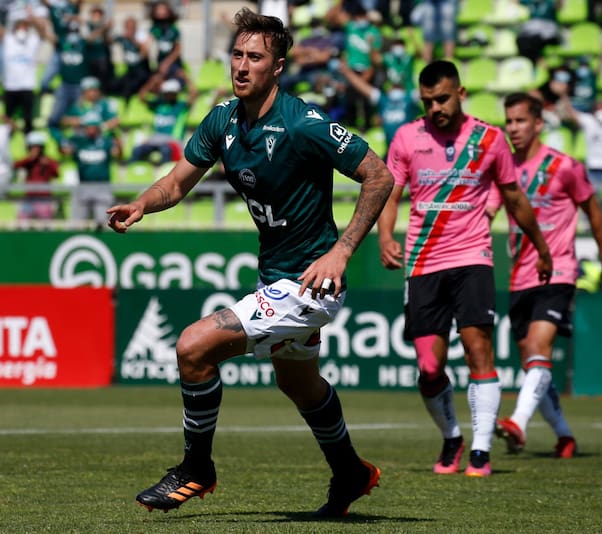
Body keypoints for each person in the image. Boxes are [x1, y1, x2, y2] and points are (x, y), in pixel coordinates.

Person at [107, 8, 393, 517]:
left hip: (311, 284)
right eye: (237, 54)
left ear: (277, 67)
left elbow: (379, 176)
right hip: (277, 277)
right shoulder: (223, 119)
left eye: (254, 57)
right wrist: (141, 204)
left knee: (193, 348)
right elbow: (176, 183)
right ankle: (350, 471)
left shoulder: (305, 123)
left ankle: (197, 469)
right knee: (298, 385)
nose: (241, 66)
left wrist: (342, 250)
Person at [379, 61, 552, 477]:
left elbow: (514, 198)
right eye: (427, 101)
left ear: (461, 93)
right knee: (429, 367)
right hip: (423, 262)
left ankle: (480, 450)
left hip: (473, 258)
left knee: (479, 350)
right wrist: (385, 235)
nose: (435, 107)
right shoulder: (406, 136)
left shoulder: (490, 139)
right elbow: (389, 191)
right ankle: (453, 436)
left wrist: (541, 247)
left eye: (441, 98)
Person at [494, 92, 602, 459]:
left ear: (538, 123)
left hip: (559, 269)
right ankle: (564, 435)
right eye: (509, 121)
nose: (513, 128)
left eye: (520, 121)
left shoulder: (565, 166)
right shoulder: (503, 169)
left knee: (538, 349)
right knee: (533, 362)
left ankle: (518, 423)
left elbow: (594, 212)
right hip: (519, 275)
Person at [556, 87, 602, 231]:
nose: (600, 108)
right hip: (594, 169)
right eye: (598, 106)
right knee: (588, 202)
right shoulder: (589, 121)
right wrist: (563, 95)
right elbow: (571, 113)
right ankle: (587, 230)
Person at [338, 60, 420, 156]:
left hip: (409, 150)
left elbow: (427, 89)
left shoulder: (410, 98)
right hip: (390, 150)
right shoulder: (383, 99)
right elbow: (362, 87)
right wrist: (347, 72)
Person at [61, 115, 120, 225]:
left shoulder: (106, 141)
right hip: (83, 185)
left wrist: (112, 131)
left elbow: (118, 153)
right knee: (76, 223)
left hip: (102, 186)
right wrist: (73, 126)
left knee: (103, 223)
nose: (91, 130)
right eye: (88, 127)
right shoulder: (78, 141)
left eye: (93, 127)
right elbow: (64, 147)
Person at [129, 78, 196, 164]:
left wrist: (186, 78)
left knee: (166, 150)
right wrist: (151, 83)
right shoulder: (158, 105)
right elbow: (141, 97)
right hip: (156, 139)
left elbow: (194, 93)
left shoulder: (181, 106)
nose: (168, 95)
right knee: (137, 150)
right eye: (167, 93)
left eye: (171, 93)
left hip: (172, 141)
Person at [2, 10, 48, 134]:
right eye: (19, 26)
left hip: (27, 85)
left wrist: (33, 20)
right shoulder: (8, 40)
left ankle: (29, 142)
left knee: (28, 118)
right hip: (11, 86)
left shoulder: (32, 40)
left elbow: (44, 34)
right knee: (8, 118)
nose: (21, 29)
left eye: (24, 26)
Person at [14, 130, 61, 220]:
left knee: (45, 225)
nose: (35, 149)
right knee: (22, 222)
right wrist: (29, 159)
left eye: (38, 147)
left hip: (44, 198)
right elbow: (15, 166)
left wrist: (48, 164)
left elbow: (56, 174)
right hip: (29, 197)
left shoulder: (48, 160)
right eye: (33, 147)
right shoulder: (27, 161)